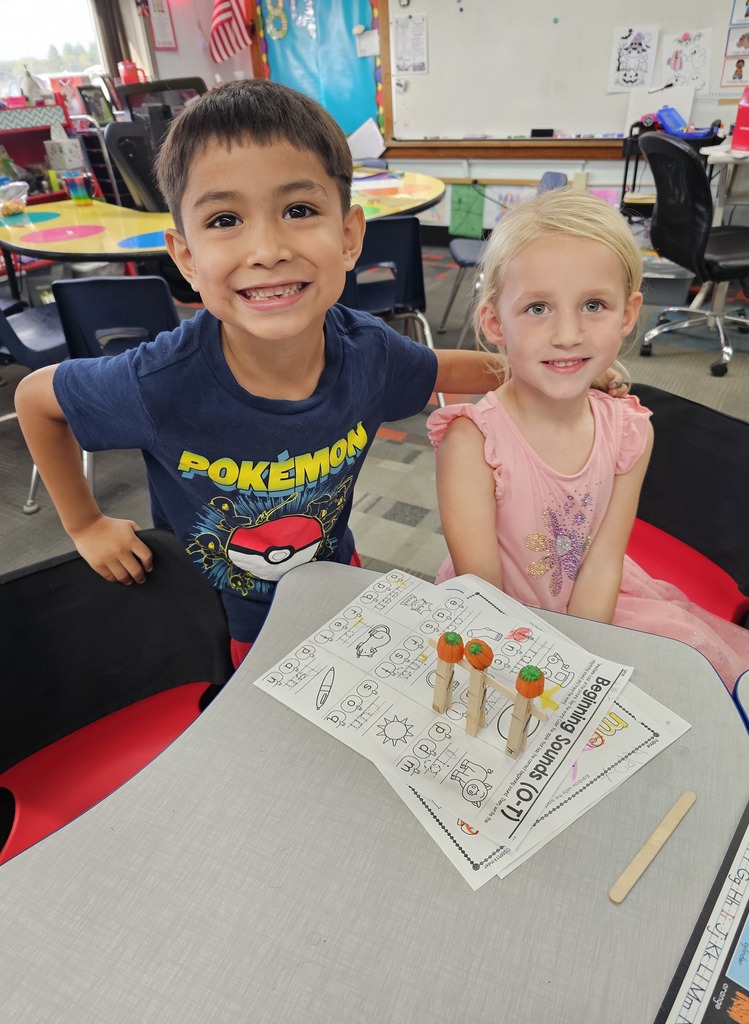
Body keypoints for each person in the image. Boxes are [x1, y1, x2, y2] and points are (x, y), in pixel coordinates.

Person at [14, 80, 623, 670]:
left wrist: (545, 369)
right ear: (186, 259)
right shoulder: (158, 381)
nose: (268, 248)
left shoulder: (369, 353)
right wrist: (86, 523)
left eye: (298, 210)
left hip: (336, 589)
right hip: (218, 617)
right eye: (225, 220)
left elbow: (442, 368)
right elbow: (36, 399)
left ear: (350, 236)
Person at [428, 188, 749, 691]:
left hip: (597, 602)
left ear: (628, 314)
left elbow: (605, 558)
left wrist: (581, 661)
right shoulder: (471, 443)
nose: (568, 334)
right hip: (497, 618)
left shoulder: (631, 431)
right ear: (496, 322)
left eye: (593, 304)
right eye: (538, 307)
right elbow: (483, 597)